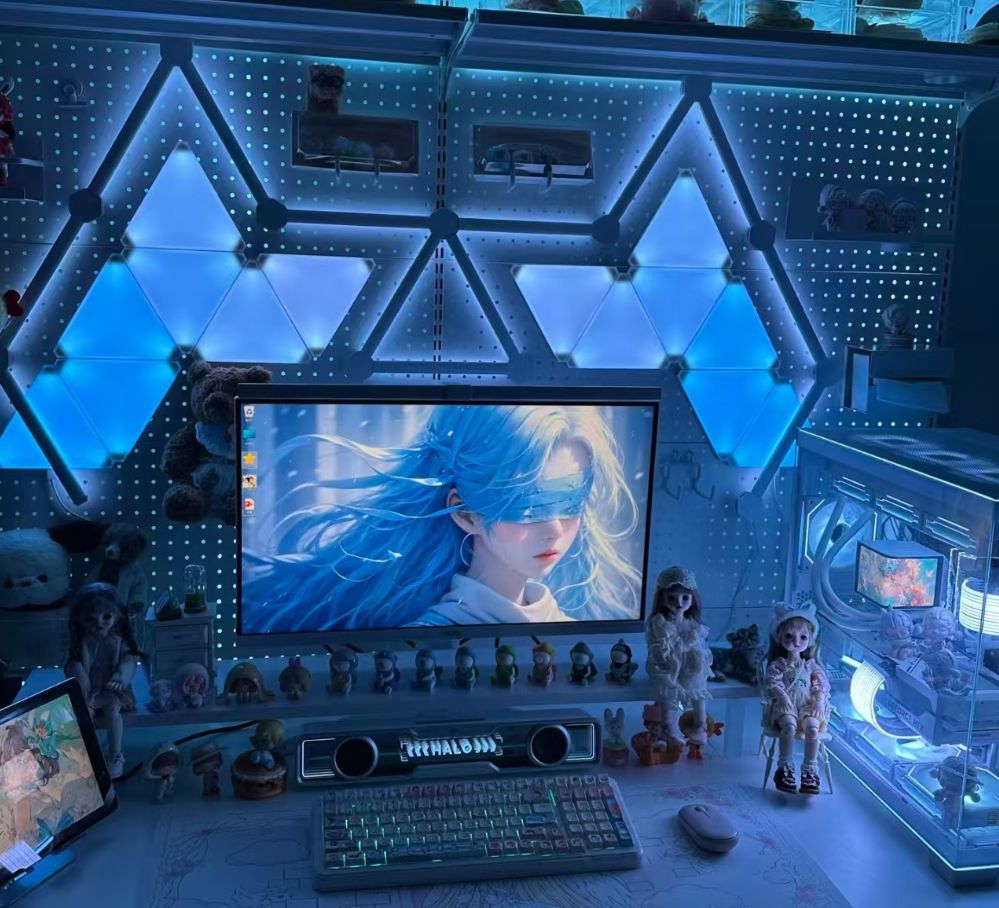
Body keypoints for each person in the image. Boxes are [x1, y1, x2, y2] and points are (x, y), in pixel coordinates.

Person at [243, 404, 642, 631]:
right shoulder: (427, 636)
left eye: (570, 503)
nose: (555, 529)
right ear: (465, 512)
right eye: (528, 505)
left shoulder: (568, 629)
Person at [762, 601, 830, 795]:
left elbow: (820, 684)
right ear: (779, 637)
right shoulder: (779, 665)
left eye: (803, 637)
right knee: (789, 726)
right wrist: (781, 696)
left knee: (813, 727)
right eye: (789, 636)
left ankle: (810, 768)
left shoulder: (810, 666)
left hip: (807, 705)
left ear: (810, 639)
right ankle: (784, 765)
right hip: (787, 705)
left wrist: (819, 699)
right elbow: (773, 682)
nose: (796, 641)